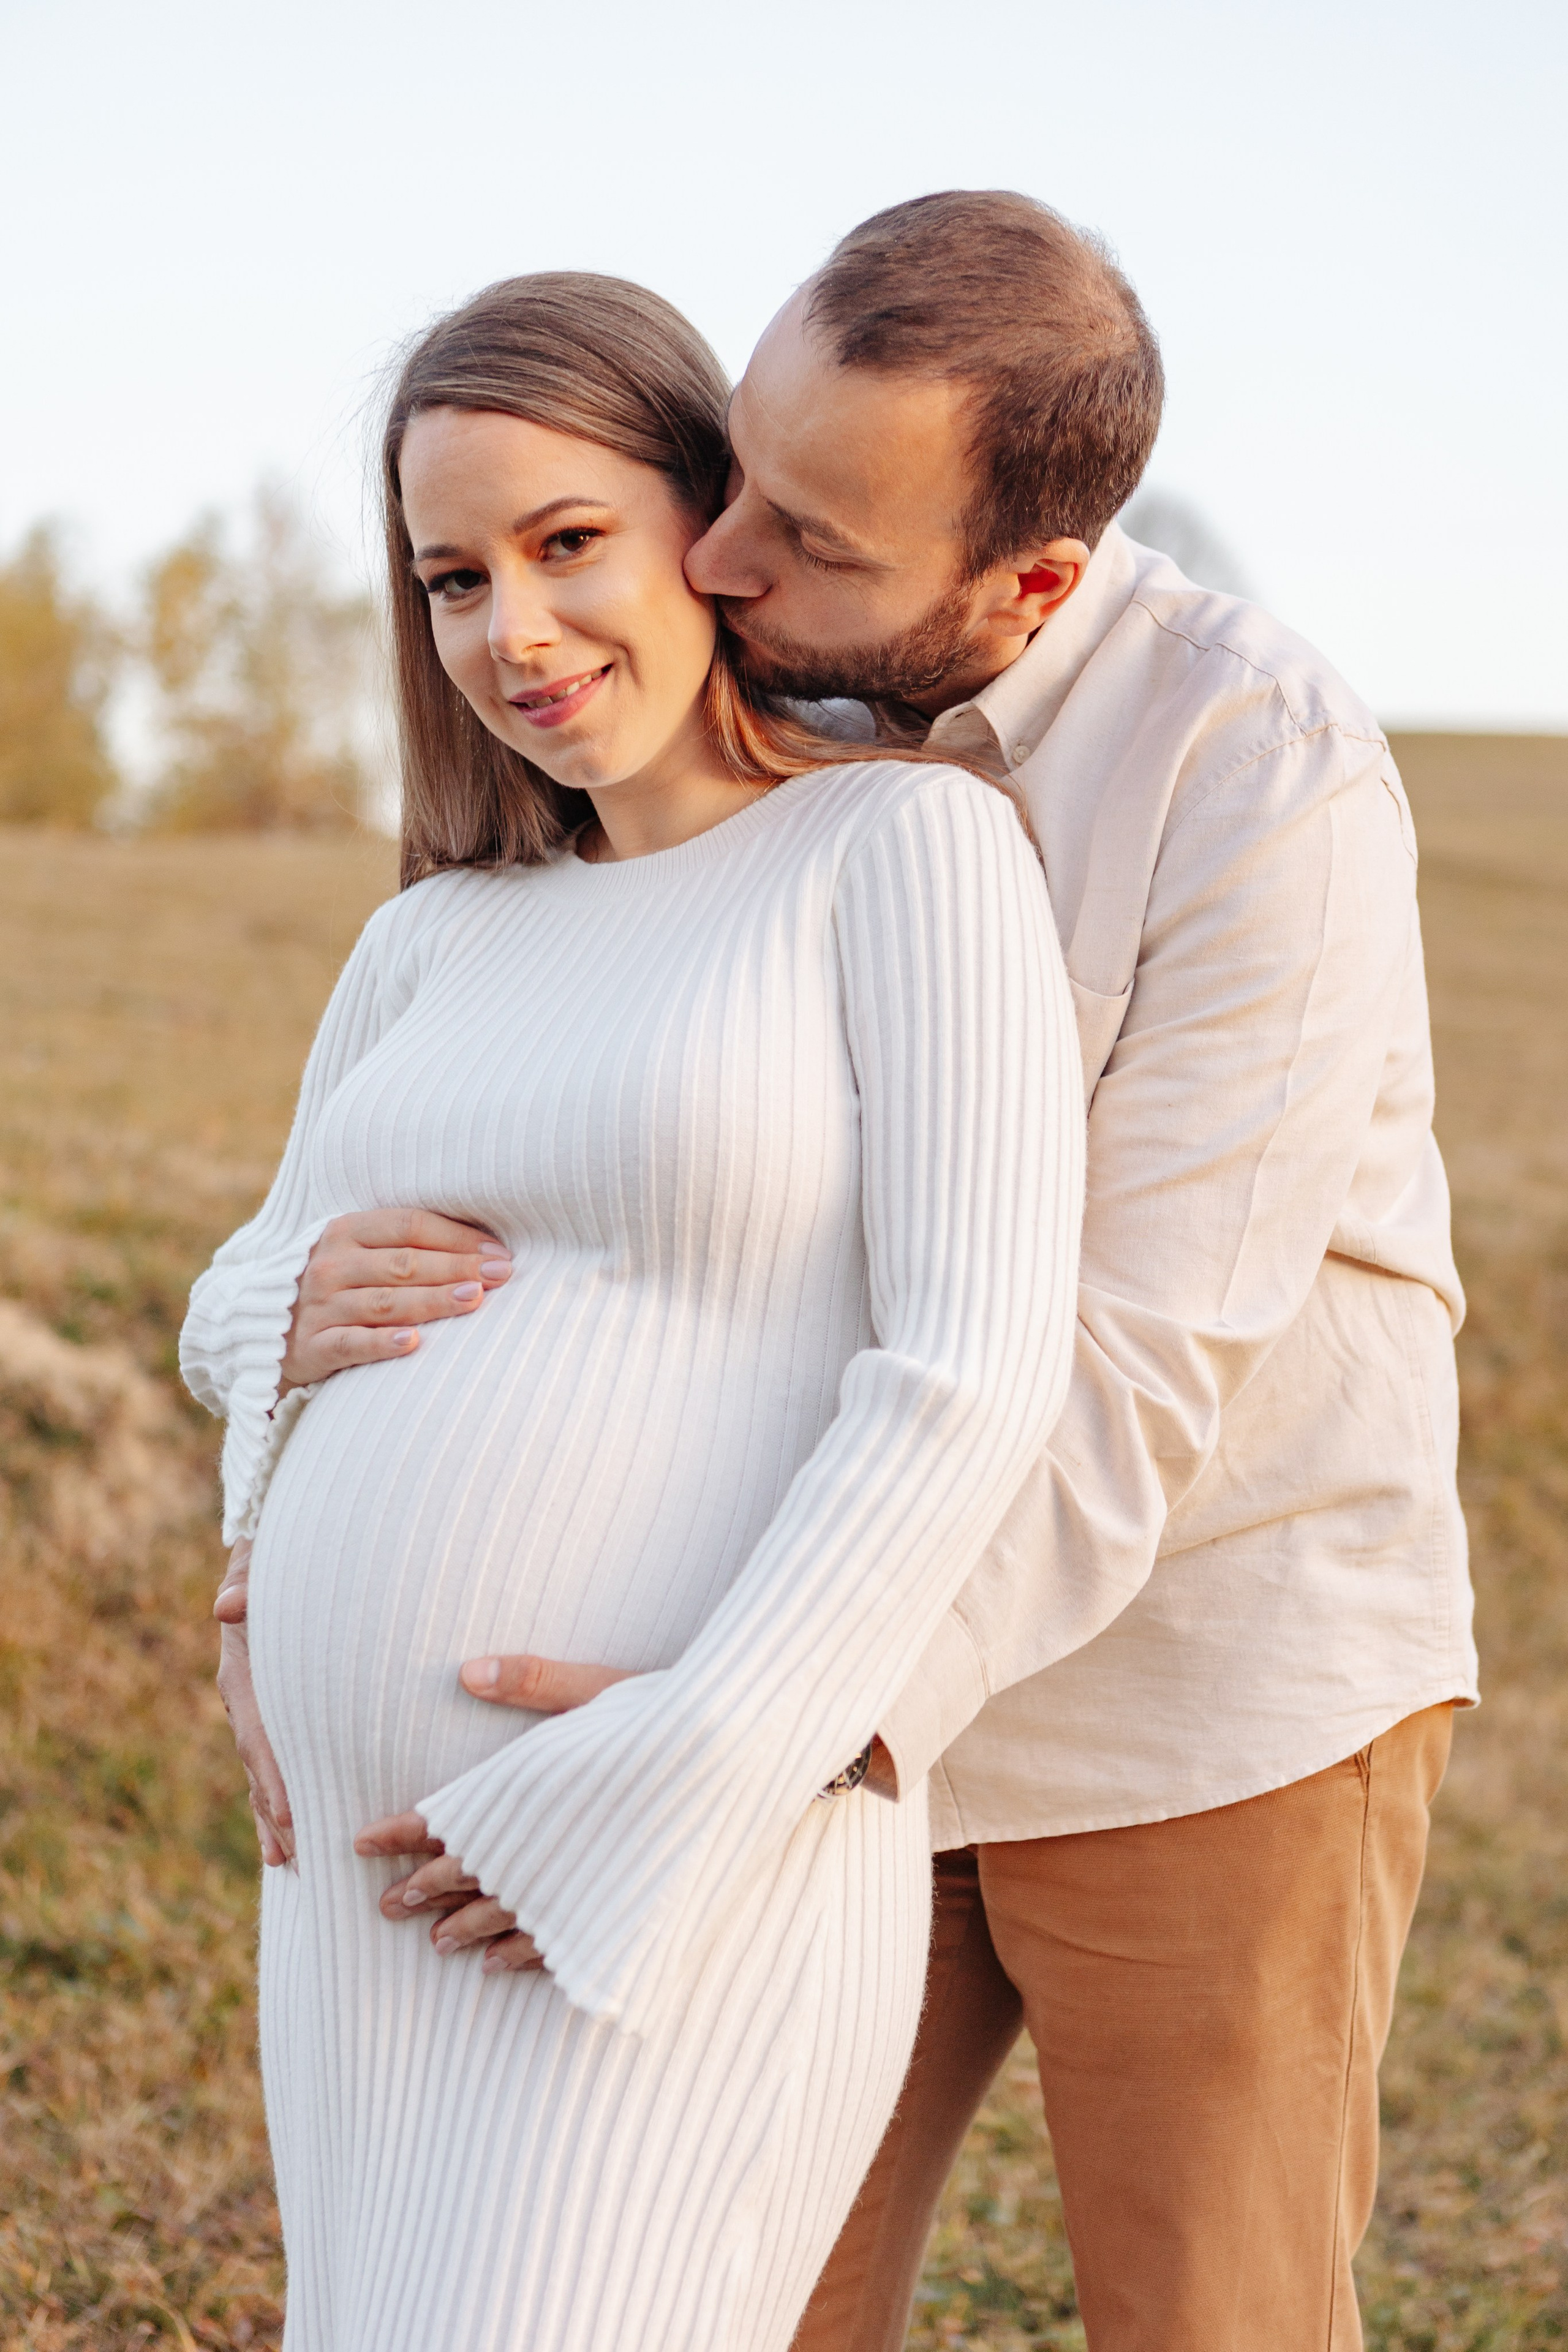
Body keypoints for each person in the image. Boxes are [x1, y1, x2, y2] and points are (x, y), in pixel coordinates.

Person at [216, 192, 1478, 2349]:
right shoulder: (745, 733)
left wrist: (759, 1730)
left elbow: (1111, 1359)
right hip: (747, 1685)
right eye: (736, 485)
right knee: (748, 2301)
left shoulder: (1247, 766)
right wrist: (272, 1436)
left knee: (1208, 2308)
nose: (722, 562)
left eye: (798, 534)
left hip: (1183, 1677)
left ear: (1028, 583)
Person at [180, 271, 1083, 2352]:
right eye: (448, 576)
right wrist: (266, 1466)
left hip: (678, 1867)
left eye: (566, 541)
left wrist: (676, 1773)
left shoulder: (905, 855)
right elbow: (251, 1298)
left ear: (712, 517)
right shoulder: (432, 943)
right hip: (358, 1899)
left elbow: (966, 1375)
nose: (511, 630)